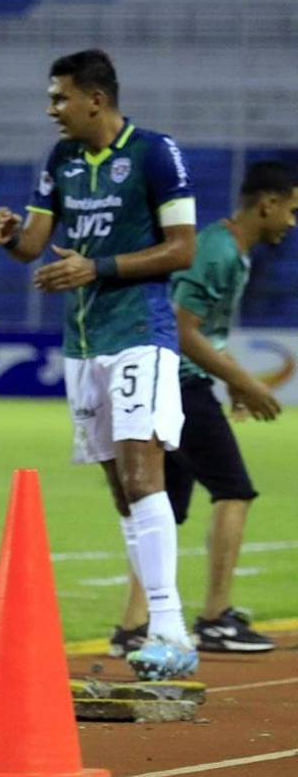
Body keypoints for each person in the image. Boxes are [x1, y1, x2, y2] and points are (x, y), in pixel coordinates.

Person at [0, 49, 199, 681]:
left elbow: (182, 249)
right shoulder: (63, 161)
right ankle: (159, 628)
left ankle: (169, 628)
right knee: (121, 490)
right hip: (83, 340)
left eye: (60, 98)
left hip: (140, 330)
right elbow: (34, 244)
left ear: (95, 100)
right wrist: (8, 236)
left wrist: (98, 267)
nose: (52, 109)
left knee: (141, 476)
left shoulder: (157, 153)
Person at [109, 161, 294, 657]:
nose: (292, 222)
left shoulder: (229, 249)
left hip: (178, 382)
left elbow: (204, 333)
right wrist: (246, 383)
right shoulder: (218, 251)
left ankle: (133, 626)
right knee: (234, 490)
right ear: (267, 203)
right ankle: (215, 618)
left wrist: (230, 380)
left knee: (162, 506)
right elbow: (182, 328)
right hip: (177, 383)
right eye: (291, 210)